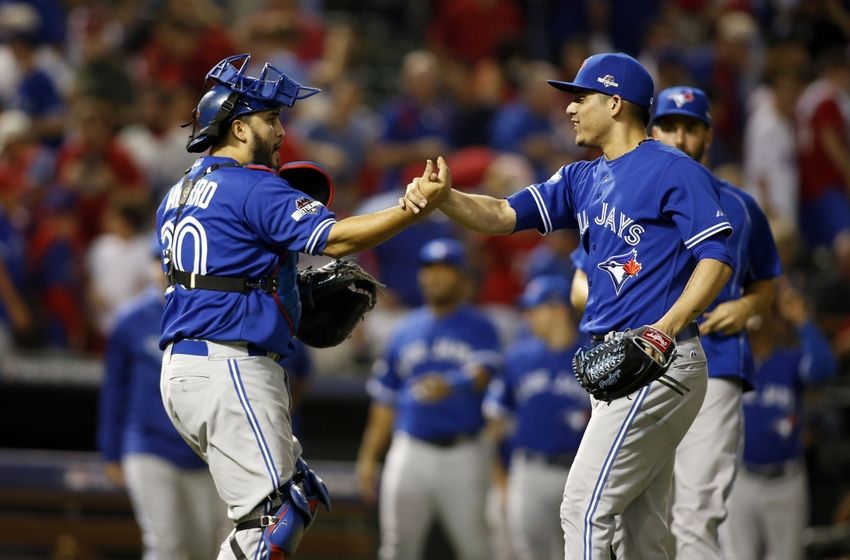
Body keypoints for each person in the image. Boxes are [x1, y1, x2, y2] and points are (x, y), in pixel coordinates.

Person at [402, 52, 734, 558]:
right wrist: (446, 198)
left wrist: (666, 328)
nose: (571, 109)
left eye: (581, 97)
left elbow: (717, 257)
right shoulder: (581, 178)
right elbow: (501, 213)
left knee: (582, 506)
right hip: (622, 363)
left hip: (660, 359)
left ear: (616, 103)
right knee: (645, 531)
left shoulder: (672, 169)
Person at [155, 53, 451, 559]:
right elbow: (335, 240)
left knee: (290, 500)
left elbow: (226, 271)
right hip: (230, 366)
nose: (278, 131)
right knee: (275, 517)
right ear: (240, 127)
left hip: (189, 368)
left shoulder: (178, 192)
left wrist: (283, 290)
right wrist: (413, 206)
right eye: (269, 120)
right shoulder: (252, 185)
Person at [648, 86, 782, 559]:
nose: (680, 138)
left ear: (708, 135)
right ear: (652, 131)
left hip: (717, 357)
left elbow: (767, 278)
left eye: (692, 128)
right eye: (670, 126)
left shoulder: (742, 205)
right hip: (644, 362)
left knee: (696, 513)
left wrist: (748, 306)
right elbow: (584, 279)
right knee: (643, 513)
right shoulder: (626, 195)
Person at [355, 238, 501, 560]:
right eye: (429, 269)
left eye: (446, 270)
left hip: (463, 452)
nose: (435, 277)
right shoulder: (403, 330)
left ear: (463, 278)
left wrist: (451, 382)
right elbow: (384, 401)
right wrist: (368, 456)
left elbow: (483, 372)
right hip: (411, 450)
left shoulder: (480, 325)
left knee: (476, 547)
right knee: (396, 547)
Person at [98, 241, 228, 560]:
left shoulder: (213, 313)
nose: (166, 268)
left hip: (204, 451)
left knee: (205, 548)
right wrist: (111, 451)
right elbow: (114, 389)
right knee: (167, 543)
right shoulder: (131, 318)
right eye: (160, 260)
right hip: (148, 445)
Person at [720, 282, 838, 560]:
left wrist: (802, 320)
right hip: (742, 480)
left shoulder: (790, 361)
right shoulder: (734, 362)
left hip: (786, 481)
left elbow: (824, 369)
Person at [483, 275, 590, 560]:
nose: (528, 317)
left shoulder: (592, 353)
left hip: (582, 473)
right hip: (530, 470)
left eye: (534, 309)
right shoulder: (518, 356)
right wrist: (501, 480)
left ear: (558, 309)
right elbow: (494, 420)